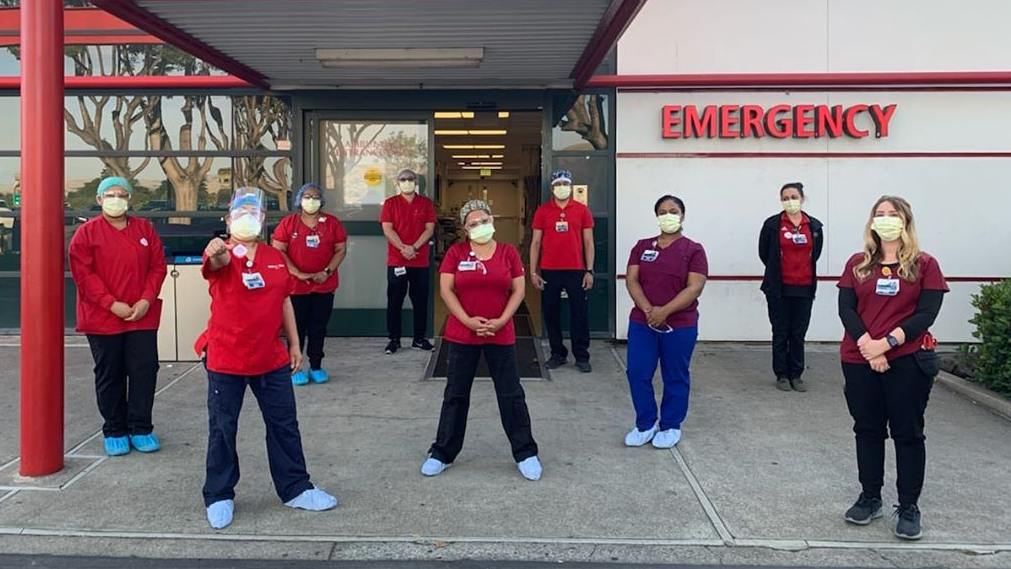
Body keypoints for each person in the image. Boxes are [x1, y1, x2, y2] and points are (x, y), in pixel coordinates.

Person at [195, 188, 337, 530]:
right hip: (227, 358)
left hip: (270, 357)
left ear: (262, 220)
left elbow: (285, 300)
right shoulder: (224, 253)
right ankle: (219, 494)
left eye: (254, 213)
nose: (247, 219)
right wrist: (216, 250)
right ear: (228, 221)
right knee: (223, 428)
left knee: (284, 424)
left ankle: (295, 488)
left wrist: (293, 344)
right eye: (240, 213)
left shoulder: (274, 257)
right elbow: (217, 264)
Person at [837, 196, 947, 541]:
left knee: (907, 433)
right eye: (879, 215)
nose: (885, 220)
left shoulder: (925, 264)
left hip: (907, 360)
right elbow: (847, 310)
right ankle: (870, 497)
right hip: (860, 357)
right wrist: (870, 347)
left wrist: (888, 344)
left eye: (892, 215)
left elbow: (926, 314)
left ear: (906, 221)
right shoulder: (858, 264)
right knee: (867, 429)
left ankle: (909, 505)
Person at [420, 200, 542, 481]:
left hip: (501, 334)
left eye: (484, 220)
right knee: (455, 395)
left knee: (511, 394)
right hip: (463, 335)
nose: (480, 226)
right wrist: (467, 321)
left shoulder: (508, 253)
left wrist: (500, 321)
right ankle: (442, 452)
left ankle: (525, 452)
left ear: (493, 220)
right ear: (465, 228)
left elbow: (518, 291)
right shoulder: (456, 253)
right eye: (473, 223)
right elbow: (446, 290)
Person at [68, 176, 167, 457]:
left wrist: (147, 299)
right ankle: (114, 428)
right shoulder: (86, 234)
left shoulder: (144, 229)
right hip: (103, 317)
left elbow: (157, 267)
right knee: (110, 373)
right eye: (109, 194)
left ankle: (141, 427)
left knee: (144, 370)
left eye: (122, 195)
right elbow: (84, 275)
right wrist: (111, 304)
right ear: (99, 199)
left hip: (141, 315)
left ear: (130, 199)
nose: (116, 199)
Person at [623, 195, 708, 449]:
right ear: (656, 216)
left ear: (682, 215)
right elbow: (632, 280)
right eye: (662, 211)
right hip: (642, 322)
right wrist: (649, 310)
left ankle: (670, 425)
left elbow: (694, 287)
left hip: (679, 325)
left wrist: (665, 311)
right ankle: (645, 423)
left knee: (675, 375)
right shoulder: (642, 246)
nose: (668, 215)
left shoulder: (693, 249)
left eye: (673, 211)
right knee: (637, 372)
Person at [272, 183, 348, 385]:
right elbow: (278, 249)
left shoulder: (331, 223)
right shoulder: (289, 223)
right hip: (297, 287)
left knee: (318, 328)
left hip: (325, 285)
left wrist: (327, 272)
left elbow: (340, 249)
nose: (311, 200)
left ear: (321, 201)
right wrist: (297, 272)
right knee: (296, 329)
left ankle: (316, 366)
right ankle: (294, 367)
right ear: (299, 200)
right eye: (307, 196)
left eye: (315, 197)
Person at [758, 182, 824, 392]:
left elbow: (816, 254)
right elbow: (764, 254)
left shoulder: (813, 226)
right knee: (780, 332)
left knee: (798, 333)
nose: (790, 201)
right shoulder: (772, 224)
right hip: (778, 288)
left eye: (793, 197)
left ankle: (796, 374)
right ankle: (782, 375)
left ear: (802, 199)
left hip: (804, 288)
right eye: (785, 198)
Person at [530, 169, 595, 372]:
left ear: (571, 186)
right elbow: (536, 243)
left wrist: (589, 270)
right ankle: (557, 353)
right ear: (551, 188)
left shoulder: (582, 210)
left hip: (576, 269)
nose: (561, 188)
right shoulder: (542, 211)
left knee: (579, 314)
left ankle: (582, 356)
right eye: (557, 184)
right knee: (551, 313)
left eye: (565, 184)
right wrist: (533, 272)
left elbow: (588, 242)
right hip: (550, 269)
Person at [379, 168, 436, 355]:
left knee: (420, 301)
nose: (407, 182)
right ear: (397, 183)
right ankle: (393, 339)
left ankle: (419, 339)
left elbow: (429, 229)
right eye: (403, 179)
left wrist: (414, 248)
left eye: (410, 179)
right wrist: (404, 248)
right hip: (397, 261)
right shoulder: (390, 204)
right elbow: (388, 229)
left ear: (416, 182)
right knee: (395, 301)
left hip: (419, 262)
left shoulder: (426, 204)